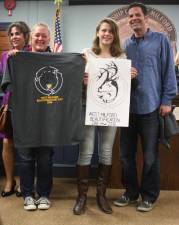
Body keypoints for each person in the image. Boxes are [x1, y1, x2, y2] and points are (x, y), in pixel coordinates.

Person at [113, 2, 177, 212]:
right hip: (127, 109)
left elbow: (168, 71)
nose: (133, 18)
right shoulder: (125, 44)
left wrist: (167, 100)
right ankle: (131, 193)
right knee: (125, 155)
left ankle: (149, 196)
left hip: (151, 108)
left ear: (146, 18)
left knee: (150, 157)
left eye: (137, 15)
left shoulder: (161, 40)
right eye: (130, 16)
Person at [73, 18, 137, 215]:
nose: (107, 34)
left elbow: (124, 87)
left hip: (111, 110)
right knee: (86, 151)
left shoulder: (122, 56)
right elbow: (74, 81)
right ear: (98, 33)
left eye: (110, 31)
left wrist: (131, 76)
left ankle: (101, 195)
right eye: (103, 30)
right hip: (89, 108)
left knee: (106, 151)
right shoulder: (87, 54)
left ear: (114, 35)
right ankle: (82, 196)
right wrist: (81, 79)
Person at [3, 23, 53, 211]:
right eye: (37, 36)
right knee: (25, 158)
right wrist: (14, 60)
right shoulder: (17, 58)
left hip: (48, 119)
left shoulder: (57, 59)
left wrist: (77, 61)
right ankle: (27, 195)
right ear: (31, 38)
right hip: (23, 116)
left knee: (45, 158)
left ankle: (44, 194)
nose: (40, 39)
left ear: (49, 38)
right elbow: (7, 86)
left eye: (44, 36)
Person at [0, 21, 30, 197]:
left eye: (18, 33)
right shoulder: (5, 56)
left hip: (28, 106)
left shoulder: (32, 53)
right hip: (9, 104)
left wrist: (20, 57)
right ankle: (10, 181)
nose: (14, 37)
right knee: (7, 142)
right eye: (11, 34)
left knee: (27, 144)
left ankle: (25, 182)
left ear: (26, 36)